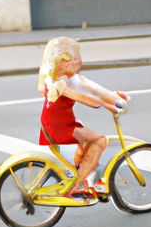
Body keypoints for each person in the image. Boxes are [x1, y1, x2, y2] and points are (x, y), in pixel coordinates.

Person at [38, 37, 129, 196]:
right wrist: (108, 104)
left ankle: (84, 177)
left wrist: (114, 97)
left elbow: (93, 89)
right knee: (99, 141)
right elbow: (86, 97)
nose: (76, 61)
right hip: (60, 128)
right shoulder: (62, 82)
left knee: (86, 141)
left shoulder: (50, 74)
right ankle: (78, 186)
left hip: (54, 124)